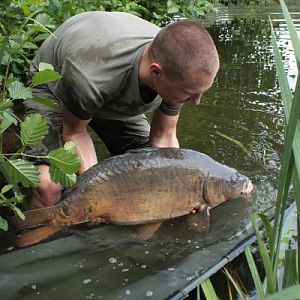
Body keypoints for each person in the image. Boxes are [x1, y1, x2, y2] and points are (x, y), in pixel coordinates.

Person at [26, 11, 219, 209]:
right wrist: (97, 197)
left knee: (148, 171)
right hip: (54, 88)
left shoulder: (180, 67)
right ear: (155, 71)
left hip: (110, 93)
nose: (196, 101)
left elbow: (164, 137)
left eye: (200, 92)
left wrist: (181, 191)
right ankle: (33, 233)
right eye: (190, 93)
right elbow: (75, 132)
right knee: (49, 188)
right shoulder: (89, 75)